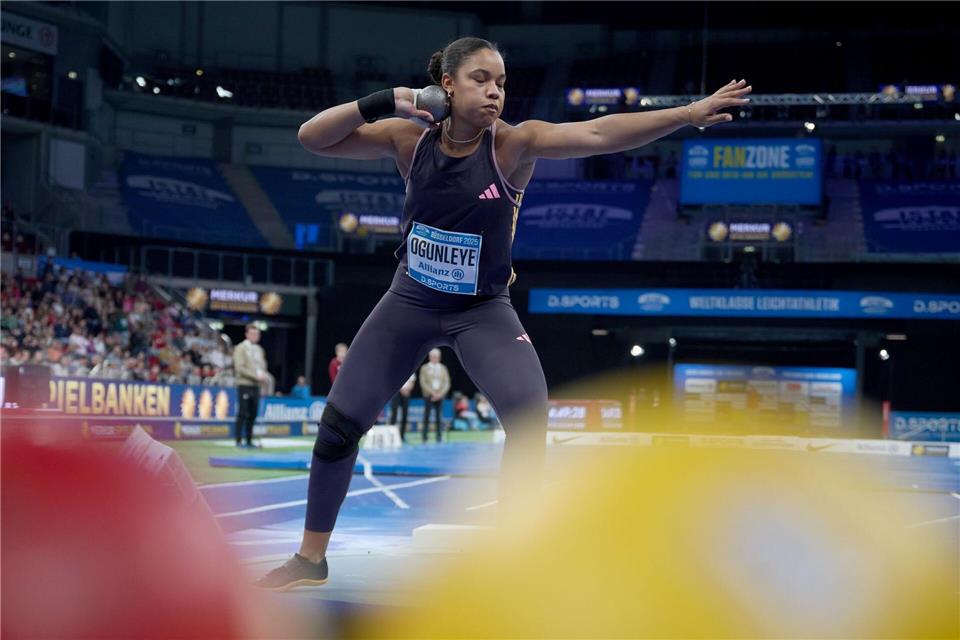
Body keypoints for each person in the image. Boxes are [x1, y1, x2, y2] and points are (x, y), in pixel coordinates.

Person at [256, 36, 750, 589]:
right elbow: (312, 138)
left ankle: (519, 565)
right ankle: (311, 559)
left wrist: (686, 115)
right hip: (410, 300)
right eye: (481, 79)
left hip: (482, 310)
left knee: (529, 416)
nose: (495, 92)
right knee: (337, 429)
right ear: (446, 85)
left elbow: (597, 133)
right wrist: (388, 99)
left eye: (501, 82)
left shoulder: (514, 145)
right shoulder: (408, 139)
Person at [232, 323, 268, 448]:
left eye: (257, 334)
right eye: (252, 333)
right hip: (245, 384)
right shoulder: (240, 348)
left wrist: (263, 376)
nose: (255, 336)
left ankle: (249, 440)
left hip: (256, 385)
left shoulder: (259, 350)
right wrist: (255, 376)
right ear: (247, 334)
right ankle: (238, 440)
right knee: (243, 412)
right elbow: (239, 368)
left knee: (253, 413)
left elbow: (262, 366)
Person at [389, 372, 417, 441]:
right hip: (396, 392)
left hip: (406, 392)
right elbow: (394, 379)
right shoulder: (398, 368)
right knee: (394, 413)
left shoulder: (411, 368)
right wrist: (401, 389)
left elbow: (412, 381)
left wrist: (408, 389)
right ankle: (391, 435)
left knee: (405, 414)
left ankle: (402, 435)